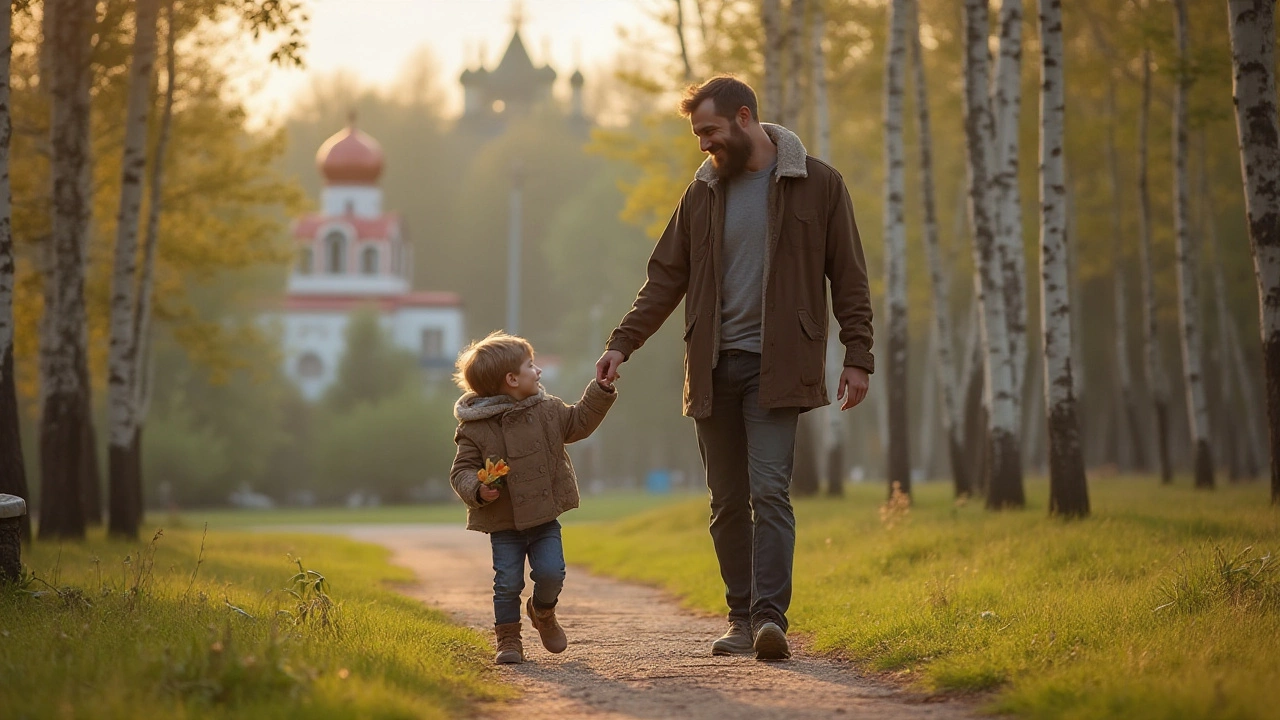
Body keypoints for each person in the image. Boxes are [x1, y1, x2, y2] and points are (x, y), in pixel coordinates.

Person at [595, 75, 873, 661]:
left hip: (780, 366)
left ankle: (772, 619)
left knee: (769, 492)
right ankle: (741, 618)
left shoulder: (817, 183)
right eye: (698, 133)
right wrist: (622, 343)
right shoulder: (702, 193)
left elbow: (848, 277)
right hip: (713, 366)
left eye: (709, 131)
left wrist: (858, 356)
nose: (702, 144)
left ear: (744, 117)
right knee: (726, 501)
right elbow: (665, 279)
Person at [451, 331, 617, 664]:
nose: (538, 370)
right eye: (531, 365)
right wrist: (478, 489)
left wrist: (600, 390)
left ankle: (542, 611)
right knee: (507, 582)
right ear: (512, 379)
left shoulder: (548, 410)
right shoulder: (476, 428)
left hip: (543, 517)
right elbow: (462, 471)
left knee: (552, 572)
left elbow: (580, 422)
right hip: (504, 520)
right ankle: (509, 640)